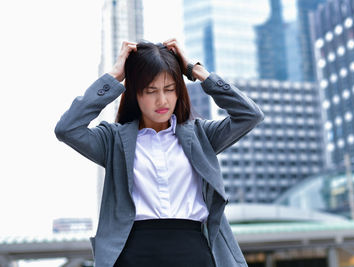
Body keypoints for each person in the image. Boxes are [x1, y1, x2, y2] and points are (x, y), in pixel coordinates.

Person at [54, 38, 264, 267]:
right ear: (135, 93)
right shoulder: (113, 140)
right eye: (150, 90)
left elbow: (249, 115)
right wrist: (114, 76)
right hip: (134, 254)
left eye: (170, 89)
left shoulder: (201, 136)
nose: (162, 100)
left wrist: (196, 70)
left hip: (193, 252)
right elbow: (67, 129)